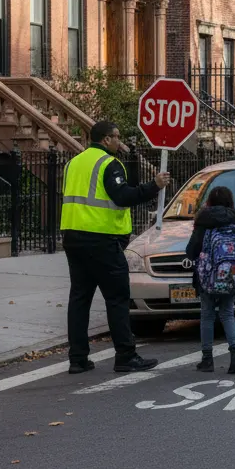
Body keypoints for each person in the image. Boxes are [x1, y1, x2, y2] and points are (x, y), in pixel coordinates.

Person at [60, 120, 170, 374]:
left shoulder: (72, 164)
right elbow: (122, 197)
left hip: (73, 238)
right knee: (118, 298)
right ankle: (126, 355)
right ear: (106, 139)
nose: (119, 141)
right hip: (102, 240)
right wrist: (154, 186)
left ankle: (77, 359)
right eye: (117, 137)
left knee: (79, 299)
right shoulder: (108, 163)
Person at [184, 186, 235, 375]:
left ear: (209, 200)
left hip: (207, 275)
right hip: (229, 274)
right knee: (227, 313)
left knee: (207, 315)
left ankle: (207, 359)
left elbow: (192, 250)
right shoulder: (234, 219)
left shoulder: (203, 220)